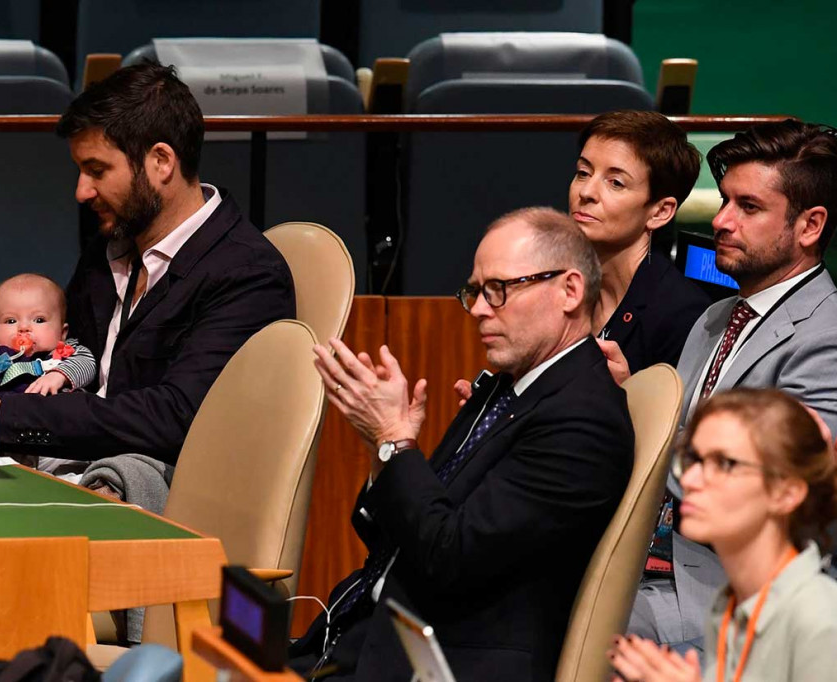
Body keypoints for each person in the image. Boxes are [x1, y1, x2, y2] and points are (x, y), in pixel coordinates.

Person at [290, 207, 634, 681]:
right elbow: (397, 540)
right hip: (363, 635)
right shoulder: (507, 387)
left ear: (569, 291)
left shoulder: (582, 422)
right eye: (474, 291)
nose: (477, 309)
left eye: (499, 290)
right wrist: (383, 451)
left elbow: (446, 560)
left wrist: (395, 440)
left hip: (442, 663)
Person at [0, 62, 295, 465]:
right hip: (59, 465)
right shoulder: (110, 246)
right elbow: (64, 361)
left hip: (141, 492)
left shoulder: (247, 274)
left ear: (161, 161)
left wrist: (3, 413)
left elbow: (177, 416)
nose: (81, 192)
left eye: (97, 170)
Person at [598, 119, 837, 652]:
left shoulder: (828, 337)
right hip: (647, 557)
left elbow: (773, 488)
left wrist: (645, 417)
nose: (722, 221)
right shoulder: (717, 317)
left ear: (810, 225)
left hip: (723, 588)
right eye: (725, 201)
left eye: (748, 208)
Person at [609, 388, 837, 682]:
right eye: (693, 461)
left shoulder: (817, 620)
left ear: (787, 492)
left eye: (725, 464)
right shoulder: (731, 603)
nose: (689, 480)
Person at [570, 110, 710, 372]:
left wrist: (627, 396)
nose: (586, 192)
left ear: (660, 212)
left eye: (615, 183)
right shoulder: (560, 286)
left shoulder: (682, 316)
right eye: (583, 172)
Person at [0, 273, 95, 398]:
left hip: (55, 421)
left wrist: (59, 375)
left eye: (39, 320)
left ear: (62, 333)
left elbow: (87, 364)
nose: (23, 328)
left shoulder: (66, 354)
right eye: (10, 321)